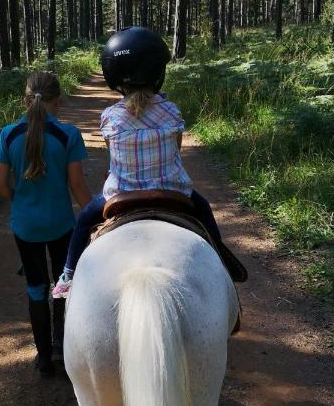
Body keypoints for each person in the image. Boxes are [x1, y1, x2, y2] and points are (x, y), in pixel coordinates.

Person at [52, 26, 247, 299]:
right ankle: (223, 264)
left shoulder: (110, 116)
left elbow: (114, 153)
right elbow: (176, 150)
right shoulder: (171, 110)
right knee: (203, 208)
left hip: (121, 193)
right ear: (158, 72)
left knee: (84, 219)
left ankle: (68, 275)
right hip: (172, 190)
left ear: (113, 75)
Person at [0, 71, 91, 376]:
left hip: (25, 227)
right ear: (58, 100)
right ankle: (63, 350)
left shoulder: (9, 134)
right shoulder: (68, 135)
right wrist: (95, 214)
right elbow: (76, 184)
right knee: (62, 286)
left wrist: (20, 202)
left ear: (25, 99)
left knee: (36, 286)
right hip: (61, 225)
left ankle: (43, 357)